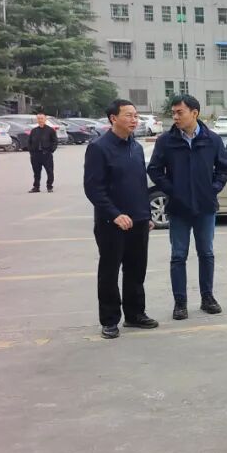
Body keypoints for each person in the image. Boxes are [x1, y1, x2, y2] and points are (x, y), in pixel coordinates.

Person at [147, 95, 227, 321]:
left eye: (180, 112)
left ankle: (207, 298)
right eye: (173, 113)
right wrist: (172, 189)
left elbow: (224, 168)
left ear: (194, 113)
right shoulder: (166, 141)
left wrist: (212, 189)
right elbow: (154, 169)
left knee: (206, 253)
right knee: (178, 255)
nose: (175, 117)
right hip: (179, 209)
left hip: (205, 207)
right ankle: (180, 302)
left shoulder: (212, 140)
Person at [83, 99, 158, 339]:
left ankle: (135, 314)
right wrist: (115, 214)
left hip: (138, 221)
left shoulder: (136, 147)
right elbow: (93, 188)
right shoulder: (99, 148)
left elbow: (140, 184)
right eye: (128, 115)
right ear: (113, 118)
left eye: (136, 116)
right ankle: (109, 320)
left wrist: (146, 214)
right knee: (109, 272)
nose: (134, 120)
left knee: (136, 270)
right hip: (111, 223)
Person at [27, 111, 58, 193]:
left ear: (45, 119)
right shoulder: (34, 131)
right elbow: (29, 142)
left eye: (42, 118)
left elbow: (55, 141)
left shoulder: (50, 130)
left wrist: (51, 150)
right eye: (38, 119)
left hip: (46, 154)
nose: (40, 120)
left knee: (49, 171)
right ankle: (36, 187)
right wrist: (31, 151)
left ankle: (49, 186)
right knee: (36, 172)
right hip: (35, 155)